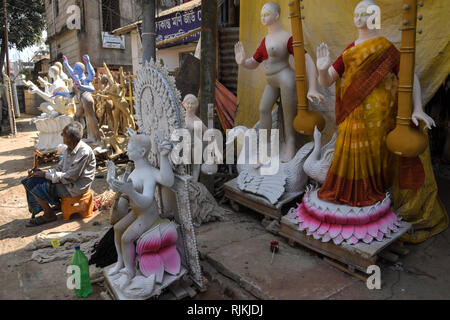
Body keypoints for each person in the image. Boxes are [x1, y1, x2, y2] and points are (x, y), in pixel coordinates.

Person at [315, 0, 447, 242]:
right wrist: (322, 70)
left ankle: (371, 195)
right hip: (351, 116)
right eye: (356, 13)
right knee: (347, 154)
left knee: (374, 158)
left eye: (365, 13)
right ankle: (348, 195)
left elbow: (409, 76)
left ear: (374, 17)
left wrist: (417, 108)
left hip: (378, 119)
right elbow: (326, 82)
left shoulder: (386, 49)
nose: (359, 17)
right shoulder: (350, 49)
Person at [234, 1, 324, 163]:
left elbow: (307, 58)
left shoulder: (286, 38)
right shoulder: (265, 40)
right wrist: (242, 62)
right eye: (261, 14)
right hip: (272, 82)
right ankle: (266, 147)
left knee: (288, 116)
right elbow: (254, 62)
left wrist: (313, 87)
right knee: (263, 109)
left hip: (286, 80)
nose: (263, 17)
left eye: (266, 13)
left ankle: (290, 145)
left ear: (276, 16)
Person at [22, 121, 96, 227]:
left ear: (70, 138)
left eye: (64, 134)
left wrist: (45, 175)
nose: (62, 136)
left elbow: (70, 178)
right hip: (67, 182)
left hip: (75, 187)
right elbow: (59, 169)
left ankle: (49, 215)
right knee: (30, 178)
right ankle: (55, 204)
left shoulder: (83, 152)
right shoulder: (68, 149)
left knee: (33, 183)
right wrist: (43, 172)